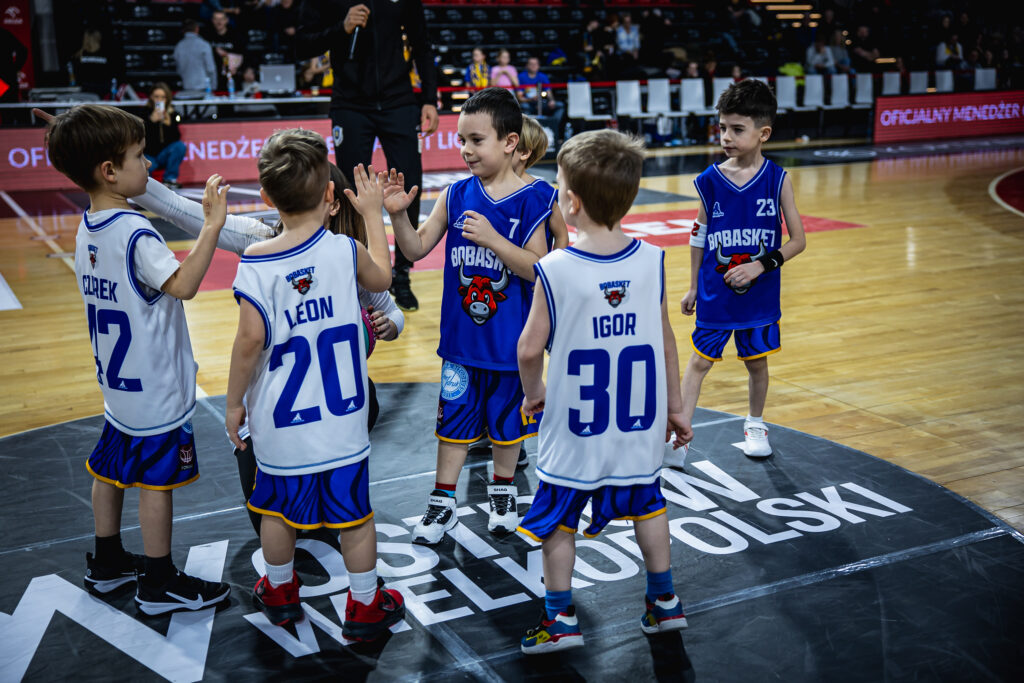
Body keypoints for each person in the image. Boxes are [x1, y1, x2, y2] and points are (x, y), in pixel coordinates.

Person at [131, 162, 405, 535]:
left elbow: (392, 311)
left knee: (277, 523)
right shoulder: (322, 249)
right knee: (331, 522)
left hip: (308, 414)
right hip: (290, 416)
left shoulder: (345, 255)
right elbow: (177, 209)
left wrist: (391, 326)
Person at [45, 103, 231, 613]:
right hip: (156, 389)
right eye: (139, 155)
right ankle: (159, 580)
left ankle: (107, 563)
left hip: (117, 387)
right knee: (155, 482)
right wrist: (212, 226)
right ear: (110, 170)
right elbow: (184, 285)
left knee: (110, 469)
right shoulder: (135, 232)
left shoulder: (89, 227)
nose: (148, 164)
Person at [516, 129, 690, 654]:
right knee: (648, 504)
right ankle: (665, 602)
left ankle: (560, 618)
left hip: (576, 426)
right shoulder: (652, 259)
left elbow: (528, 349)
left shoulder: (554, 268)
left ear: (571, 202)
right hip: (637, 420)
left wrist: (533, 392)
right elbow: (665, 339)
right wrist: (675, 406)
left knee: (559, 520)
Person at [225, 130, 405, 637]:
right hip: (342, 423)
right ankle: (365, 605)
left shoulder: (256, 261)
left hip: (280, 425)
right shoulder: (346, 250)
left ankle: (280, 591)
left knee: (276, 513)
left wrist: (234, 403)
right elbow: (383, 279)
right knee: (355, 517)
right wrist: (373, 213)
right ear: (330, 193)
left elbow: (248, 342)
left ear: (266, 198)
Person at [382, 87, 552, 544]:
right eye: (462, 140)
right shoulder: (455, 194)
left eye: (477, 140)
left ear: (511, 142)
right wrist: (398, 216)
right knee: (452, 425)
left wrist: (494, 239)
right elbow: (416, 248)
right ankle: (442, 502)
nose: (466, 150)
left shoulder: (534, 199)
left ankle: (503, 491)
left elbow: (540, 268)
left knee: (508, 426)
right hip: (460, 345)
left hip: (512, 346)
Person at [674, 80, 806, 463]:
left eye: (737, 129)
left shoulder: (778, 179)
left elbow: (798, 241)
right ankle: (679, 436)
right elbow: (699, 236)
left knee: (756, 363)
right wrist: (693, 286)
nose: (726, 137)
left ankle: (755, 424)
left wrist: (759, 266)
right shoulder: (709, 180)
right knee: (699, 362)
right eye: (722, 128)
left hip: (759, 295)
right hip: (715, 293)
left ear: (763, 133)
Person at [297, 0, 439, 313]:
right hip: (350, 103)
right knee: (350, 189)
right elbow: (302, 44)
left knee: (408, 183)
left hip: (399, 100)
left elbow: (421, 43)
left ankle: (401, 273)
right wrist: (342, 27)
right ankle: (357, 271)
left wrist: (430, 98)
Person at [516, 116, 569, 250]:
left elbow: (562, 235)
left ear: (524, 152)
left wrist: (553, 263)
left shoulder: (543, 192)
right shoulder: (487, 184)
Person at [142, 83, 187, 189]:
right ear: (151, 97)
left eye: (163, 97)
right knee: (143, 160)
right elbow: (140, 138)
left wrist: (168, 125)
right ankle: (147, 183)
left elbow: (176, 138)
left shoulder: (173, 114)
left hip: (163, 155)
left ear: (167, 99)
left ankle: (170, 179)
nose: (159, 100)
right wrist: (150, 122)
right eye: (156, 97)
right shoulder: (143, 113)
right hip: (148, 155)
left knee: (180, 146)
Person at [517, 56, 564, 125]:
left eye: (535, 64)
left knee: (560, 105)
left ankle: (553, 126)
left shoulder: (543, 76)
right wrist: (530, 99)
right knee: (524, 106)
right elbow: (519, 97)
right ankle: (529, 128)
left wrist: (551, 100)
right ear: (527, 66)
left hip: (542, 103)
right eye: (531, 64)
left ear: (538, 66)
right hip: (529, 104)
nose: (533, 66)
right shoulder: (521, 77)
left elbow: (548, 92)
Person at [174, 19, 217, 92]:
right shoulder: (204, 45)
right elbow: (211, 69)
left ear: (183, 30)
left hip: (186, 86)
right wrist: (213, 87)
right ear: (197, 29)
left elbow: (178, 70)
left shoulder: (178, 46)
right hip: (203, 88)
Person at [205, 10, 243, 91]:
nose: (219, 22)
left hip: (232, 77)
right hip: (214, 77)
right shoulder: (207, 36)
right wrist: (215, 51)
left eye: (221, 19)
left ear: (226, 20)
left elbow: (243, 54)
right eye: (216, 19)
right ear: (212, 20)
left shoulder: (235, 35)